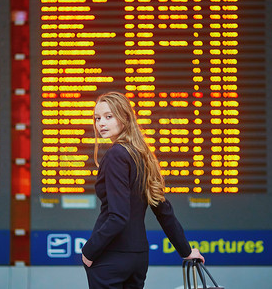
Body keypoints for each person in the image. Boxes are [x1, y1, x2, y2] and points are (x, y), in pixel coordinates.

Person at [81, 92, 204, 289]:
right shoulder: (142, 155)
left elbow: (118, 216)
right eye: (97, 118)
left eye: (108, 116)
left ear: (125, 118)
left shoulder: (115, 155)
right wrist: (186, 251)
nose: (101, 123)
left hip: (110, 256)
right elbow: (163, 211)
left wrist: (88, 251)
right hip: (138, 259)